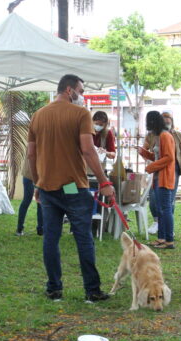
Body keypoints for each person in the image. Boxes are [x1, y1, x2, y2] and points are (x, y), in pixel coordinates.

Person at [27, 74, 115, 302]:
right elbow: (88, 150)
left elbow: (31, 154)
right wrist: (104, 181)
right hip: (73, 187)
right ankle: (92, 290)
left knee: (51, 238)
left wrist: (38, 182)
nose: (82, 96)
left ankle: (54, 288)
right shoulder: (80, 114)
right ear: (69, 90)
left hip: (47, 187)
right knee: (83, 237)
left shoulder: (38, 115)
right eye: (81, 91)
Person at [138, 110, 176, 249]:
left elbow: (169, 158)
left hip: (164, 178)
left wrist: (151, 167)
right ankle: (161, 238)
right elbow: (159, 157)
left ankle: (169, 240)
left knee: (165, 209)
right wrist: (145, 153)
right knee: (160, 209)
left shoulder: (165, 136)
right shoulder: (159, 136)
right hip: (158, 178)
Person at [161, 111, 181, 214]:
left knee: (170, 199)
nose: (167, 126)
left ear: (172, 123)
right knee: (156, 199)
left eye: (168, 123)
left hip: (173, 170)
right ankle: (158, 221)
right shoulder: (154, 135)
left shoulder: (178, 136)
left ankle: (169, 224)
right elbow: (147, 148)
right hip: (158, 170)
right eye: (164, 124)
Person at [16, 154, 43, 236]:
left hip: (30, 174)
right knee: (37, 202)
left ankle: (20, 229)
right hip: (34, 174)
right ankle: (40, 229)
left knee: (29, 201)